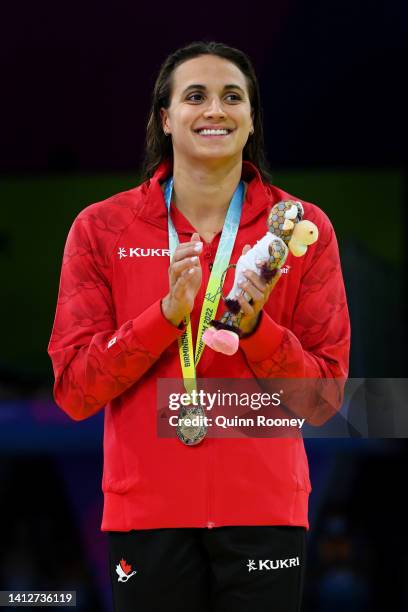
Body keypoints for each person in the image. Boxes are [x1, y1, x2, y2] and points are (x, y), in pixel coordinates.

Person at [47, 41, 350, 612]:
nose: (215, 109)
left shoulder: (304, 230)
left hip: (264, 511)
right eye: (195, 96)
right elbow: (74, 390)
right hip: (147, 514)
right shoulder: (102, 230)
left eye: (232, 96)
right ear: (165, 118)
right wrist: (163, 317)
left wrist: (256, 328)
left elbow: (326, 400)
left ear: (251, 117)